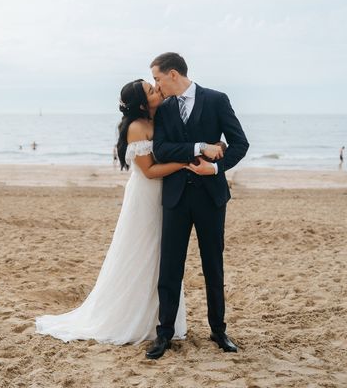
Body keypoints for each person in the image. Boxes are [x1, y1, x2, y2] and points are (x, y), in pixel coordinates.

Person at [35, 79, 190, 345]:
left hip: (163, 196)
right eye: (151, 91)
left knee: (161, 256)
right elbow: (150, 172)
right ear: (142, 104)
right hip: (145, 198)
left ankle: (160, 319)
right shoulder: (137, 128)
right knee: (143, 253)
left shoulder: (158, 119)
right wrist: (184, 162)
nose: (157, 90)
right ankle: (133, 319)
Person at [147, 52, 249, 359]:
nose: (156, 84)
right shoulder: (164, 110)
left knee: (212, 266)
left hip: (211, 198)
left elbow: (240, 143)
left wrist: (215, 168)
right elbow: (161, 150)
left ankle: (219, 330)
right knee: (170, 267)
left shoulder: (217, 100)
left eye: (157, 78)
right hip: (176, 197)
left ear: (173, 74)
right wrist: (196, 147)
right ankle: (164, 333)